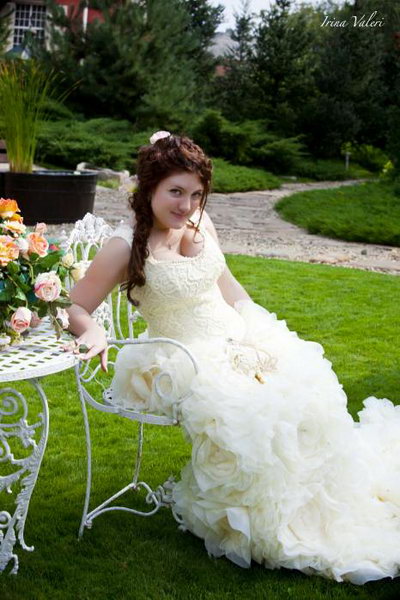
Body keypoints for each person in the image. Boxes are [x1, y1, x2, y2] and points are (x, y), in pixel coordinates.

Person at [67, 131, 400, 585]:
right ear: (148, 189)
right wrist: (93, 330)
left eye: (196, 194)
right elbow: (75, 305)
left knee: (307, 394)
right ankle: (265, 521)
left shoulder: (201, 222)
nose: (186, 205)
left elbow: (229, 288)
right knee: (256, 414)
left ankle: (318, 508)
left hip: (236, 337)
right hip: (184, 356)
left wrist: (261, 332)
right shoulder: (125, 246)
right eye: (176, 192)